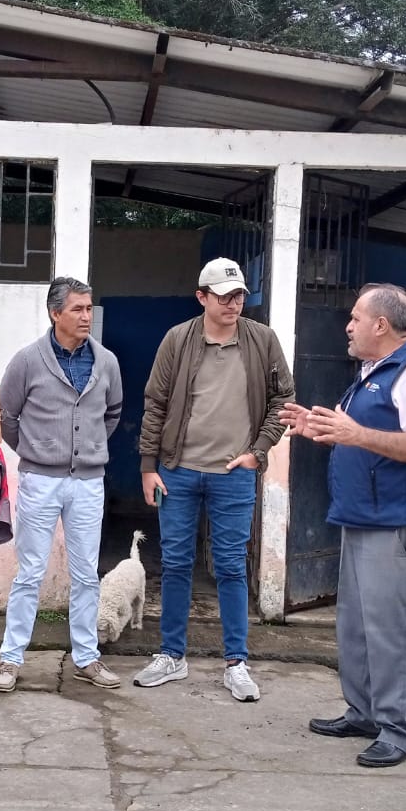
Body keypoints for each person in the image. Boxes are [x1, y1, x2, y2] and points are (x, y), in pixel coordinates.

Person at [285, 282, 406, 768]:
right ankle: (363, 713)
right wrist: (323, 430)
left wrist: (356, 433)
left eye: (356, 318)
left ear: (381, 324)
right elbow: (363, 438)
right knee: (357, 628)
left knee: (393, 631)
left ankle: (398, 729)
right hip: (361, 518)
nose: (348, 326)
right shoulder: (372, 372)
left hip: (396, 524)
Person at [134, 257, 294, 701]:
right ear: (201, 297)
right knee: (175, 563)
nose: (233, 303)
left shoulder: (262, 340)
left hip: (233, 474)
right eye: (224, 296)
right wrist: (148, 465)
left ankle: (236, 662)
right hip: (177, 472)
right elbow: (155, 403)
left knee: (230, 566)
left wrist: (258, 452)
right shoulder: (177, 339)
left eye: (239, 295)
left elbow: (283, 397)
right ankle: (172, 655)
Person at [0, 277, 124, 693]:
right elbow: (5, 417)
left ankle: (86, 657)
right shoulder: (28, 360)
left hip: (88, 482)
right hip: (40, 480)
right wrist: (38, 450)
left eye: (89, 308)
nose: (86, 316)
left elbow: (112, 413)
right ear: (55, 313)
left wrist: (87, 449)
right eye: (77, 309)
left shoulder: (105, 361)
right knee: (30, 572)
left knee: (86, 574)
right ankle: (11, 658)